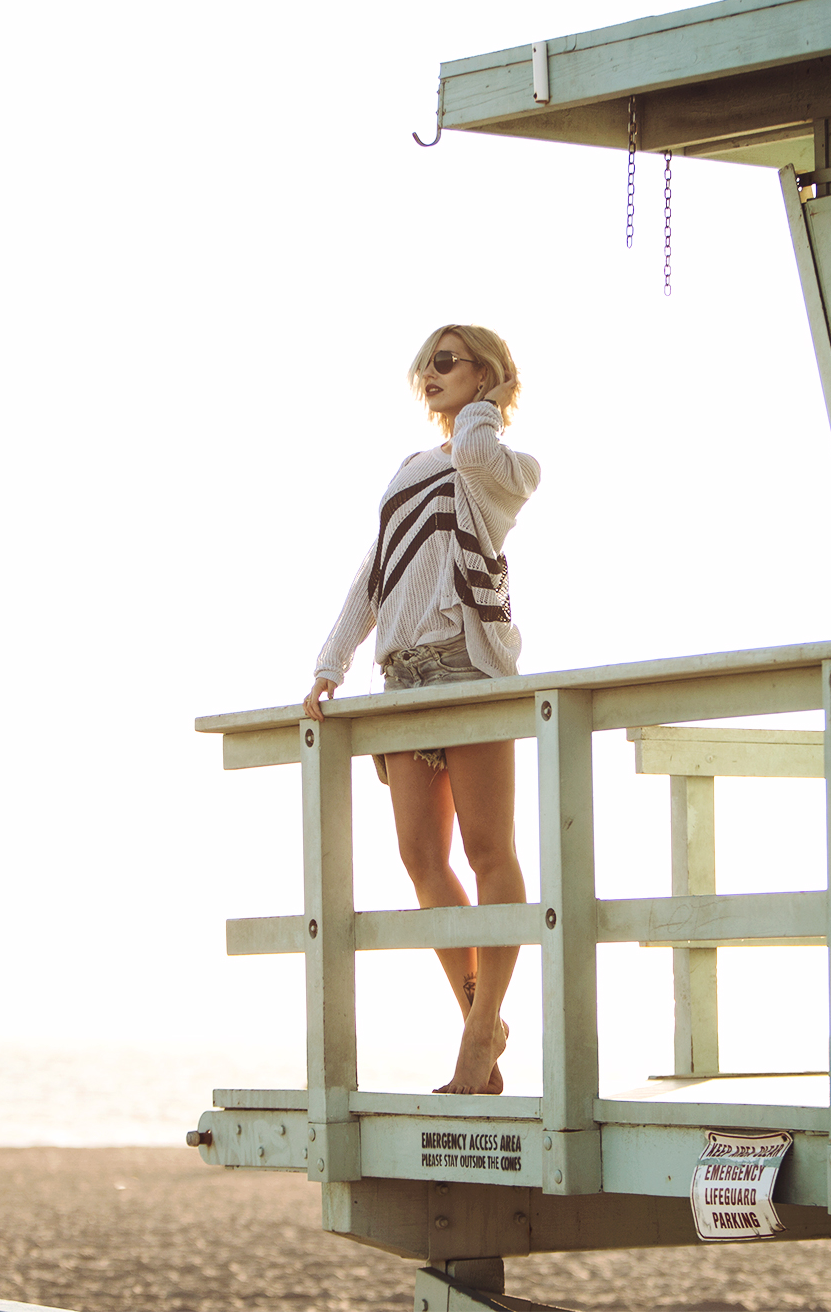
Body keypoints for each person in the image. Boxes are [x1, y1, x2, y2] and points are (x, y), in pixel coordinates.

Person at [303, 324, 541, 1095]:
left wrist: (490, 407)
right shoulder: (408, 470)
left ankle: (478, 1041)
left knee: (488, 851)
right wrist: (328, 663)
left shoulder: (505, 465)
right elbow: (373, 575)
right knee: (420, 856)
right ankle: (483, 1016)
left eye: (446, 361)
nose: (429, 375)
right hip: (401, 678)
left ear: (487, 373)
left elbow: (475, 453)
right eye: (425, 366)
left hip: (466, 667)